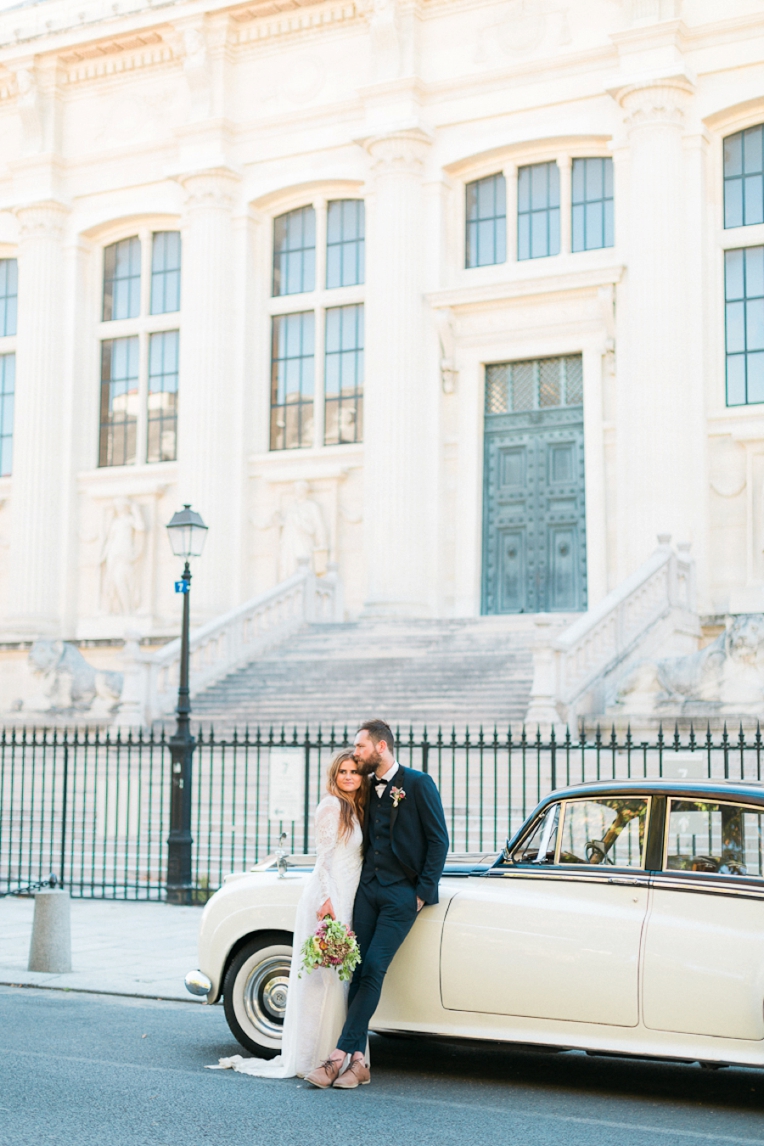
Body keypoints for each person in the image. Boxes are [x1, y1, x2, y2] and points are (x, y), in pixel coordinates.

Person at [305, 719, 449, 1089]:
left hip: (402, 894)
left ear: (380, 747)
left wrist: (421, 893)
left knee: (373, 968)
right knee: (356, 970)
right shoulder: (366, 786)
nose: (355, 754)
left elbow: (438, 841)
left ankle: (336, 1056)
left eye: (360, 747)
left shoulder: (418, 784)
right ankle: (358, 1062)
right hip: (367, 891)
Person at [209, 749, 367, 1078]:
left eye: (354, 771)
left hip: (349, 897)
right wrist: (327, 902)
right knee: (322, 980)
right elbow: (323, 859)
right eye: (343, 772)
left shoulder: (355, 808)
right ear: (334, 776)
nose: (349, 777)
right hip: (330, 899)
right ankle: (314, 1057)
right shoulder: (331, 806)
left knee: (340, 979)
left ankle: (337, 1053)